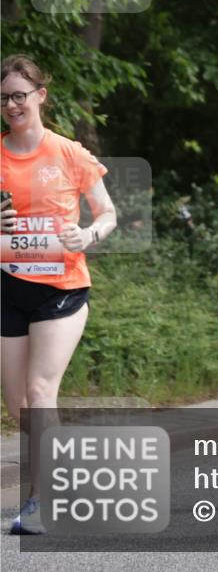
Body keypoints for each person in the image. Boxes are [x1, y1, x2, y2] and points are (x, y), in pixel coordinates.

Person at [2, 55, 118, 534]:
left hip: (63, 288)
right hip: (9, 286)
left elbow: (108, 213)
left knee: (39, 391)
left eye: (20, 96)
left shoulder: (69, 153)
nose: (11, 105)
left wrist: (87, 236)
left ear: (41, 96)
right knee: (19, 409)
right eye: (4, 98)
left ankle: (39, 501)